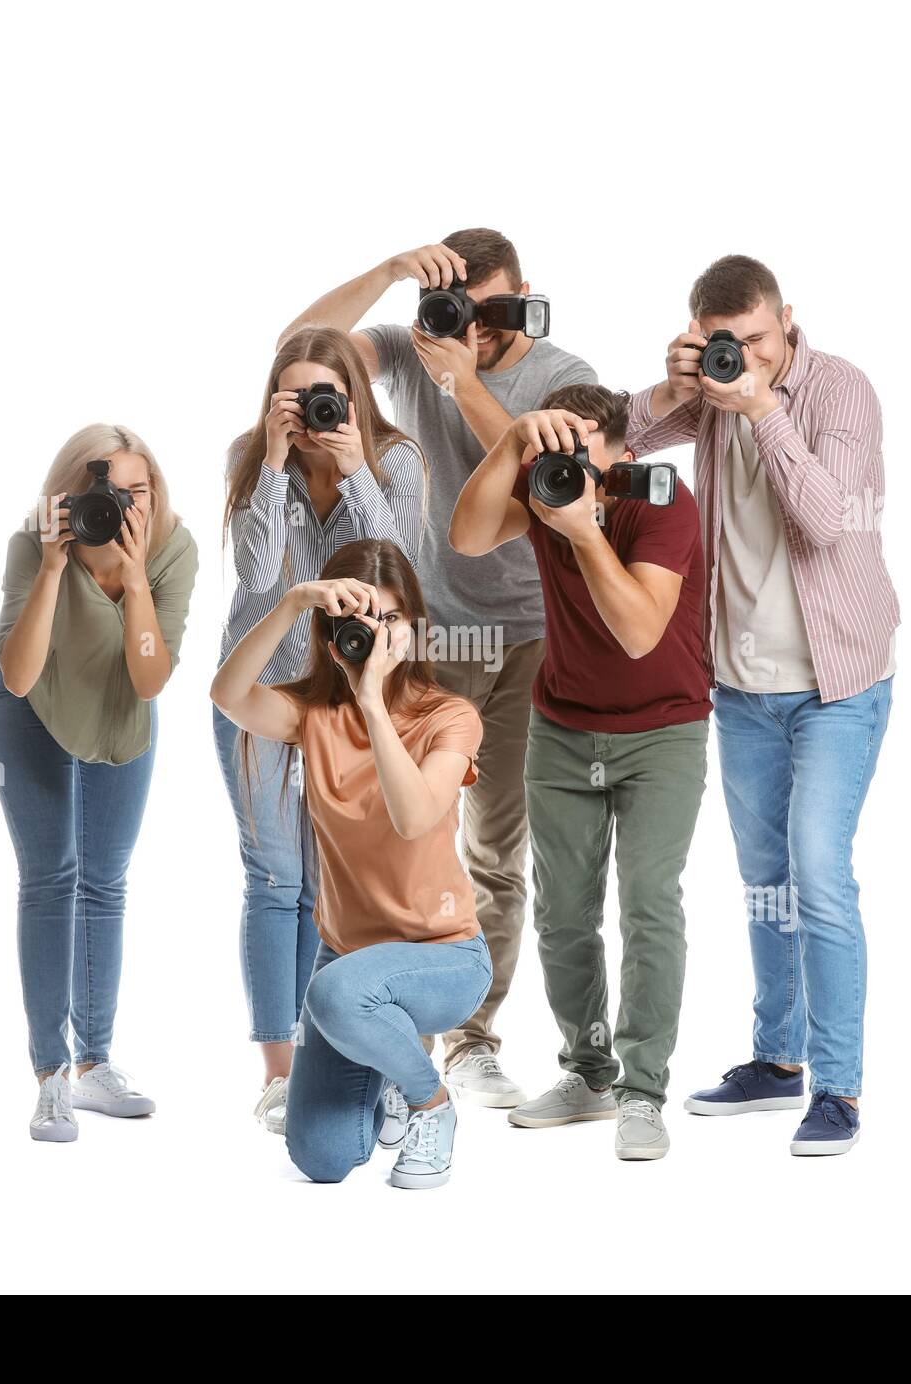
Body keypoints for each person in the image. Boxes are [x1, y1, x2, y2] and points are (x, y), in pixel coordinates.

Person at [280, 230, 596, 1106]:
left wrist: (460, 380)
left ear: (525, 296)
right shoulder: (419, 338)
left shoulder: (557, 373)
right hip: (433, 629)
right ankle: (393, 1043)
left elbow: (540, 474)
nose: (474, 327)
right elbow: (296, 353)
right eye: (462, 307)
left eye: (493, 311)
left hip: (532, 629)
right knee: (407, 837)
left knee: (497, 846)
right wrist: (388, 276)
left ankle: (474, 1038)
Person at [626, 254, 898, 1156]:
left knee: (818, 872)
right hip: (742, 692)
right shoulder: (707, 388)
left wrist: (762, 410)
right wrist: (672, 393)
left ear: (787, 321)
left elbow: (827, 520)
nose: (740, 358)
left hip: (838, 683)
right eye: (719, 346)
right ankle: (777, 1063)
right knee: (767, 886)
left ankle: (841, 1089)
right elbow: (617, 445)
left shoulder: (841, 393)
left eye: (752, 340)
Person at [450, 385, 711, 1160]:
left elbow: (637, 633)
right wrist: (510, 445)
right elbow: (464, 538)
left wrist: (587, 534)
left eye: (581, 449)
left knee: (649, 904)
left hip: (662, 730)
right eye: (551, 449)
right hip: (562, 726)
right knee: (563, 914)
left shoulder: (663, 503)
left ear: (624, 453)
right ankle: (591, 1073)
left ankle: (642, 1092)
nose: (563, 465)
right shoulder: (542, 490)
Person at [211, 539, 490, 1188]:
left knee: (332, 992)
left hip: (442, 956)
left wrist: (373, 703)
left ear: (414, 627)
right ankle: (387, 1069)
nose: (378, 635)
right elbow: (228, 695)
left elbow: (415, 816)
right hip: (349, 959)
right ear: (336, 633)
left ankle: (430, 1101)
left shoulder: (450, 716)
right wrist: (290, 602)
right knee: (321, 1156)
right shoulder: (314, 713)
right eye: (362, 622)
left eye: (390, 619)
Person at [214, 327, 424, 1136]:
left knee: (338, 887)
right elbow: (262, 577)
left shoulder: (396, 460)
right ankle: (279, 1071)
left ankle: (338, 1053)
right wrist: (272, 464)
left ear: (356, 397)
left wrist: (353, 467)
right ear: (276, 402)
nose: (313, 413)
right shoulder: (252, 458)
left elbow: (392, 572)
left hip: (352, 695)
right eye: (297, 400)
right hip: (261, 686)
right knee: (275, 879)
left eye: (326, 397)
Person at [0, 424, 197, 1142]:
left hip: (116, 701)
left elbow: (149, 677)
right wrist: (49, 570)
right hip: (29, 705)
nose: (121, 506)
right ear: (69, 493)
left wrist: (136, 580)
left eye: (137, 490)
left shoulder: (171, 550)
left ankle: (94, 1064)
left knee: (105, 878)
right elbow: (18, 675)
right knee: (52, 875)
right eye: (103, 491)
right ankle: (50, 1076)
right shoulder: (34, 544)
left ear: (153, 492)